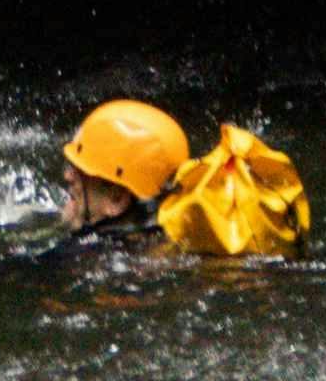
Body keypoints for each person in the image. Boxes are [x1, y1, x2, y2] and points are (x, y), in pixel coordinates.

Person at [48, 95, 311, 261]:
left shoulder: (95, 255)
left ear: (116, 199)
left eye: (82, 172)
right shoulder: (172, 236)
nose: (67, 175)